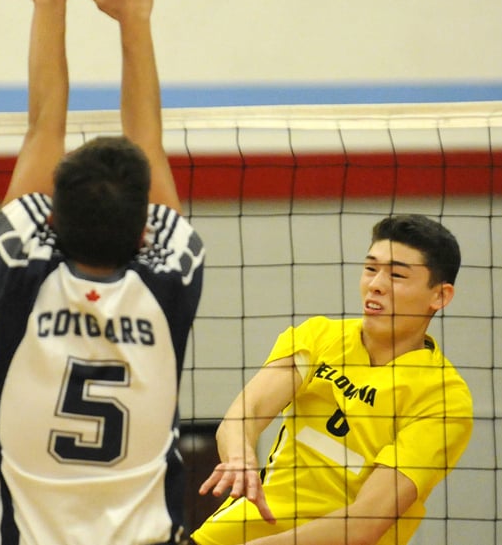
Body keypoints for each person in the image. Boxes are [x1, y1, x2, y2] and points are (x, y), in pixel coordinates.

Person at [0, 0, 204, 545]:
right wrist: (135, 20)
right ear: (144, 234)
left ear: (49, 215)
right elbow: (150, 146)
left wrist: (48, 2)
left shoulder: (20, 264)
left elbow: (42, 125)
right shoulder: (169, 275)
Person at [191, 214, 473, 545]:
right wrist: (240, 456)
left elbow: (364, 524)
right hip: (241, 530)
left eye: (396, 275)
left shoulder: (445, 399)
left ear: (439, 296)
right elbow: (245, 412)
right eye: (370, 268)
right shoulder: (319, 337)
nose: (376, 284)